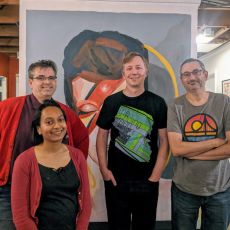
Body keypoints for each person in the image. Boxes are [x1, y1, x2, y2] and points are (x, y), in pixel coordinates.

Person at [0, 60, 89, 229]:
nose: (47, 82)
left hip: (52, 191)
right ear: (30, 82)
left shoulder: (66, 113)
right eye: (41, 77)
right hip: (9, 190)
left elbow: (82, 139)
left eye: (51, 77)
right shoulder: (7, 108)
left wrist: (72, 170)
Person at [96, 52, 169, 230]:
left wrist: (156, 175)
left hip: (147, 180)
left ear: (146, 71)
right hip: (116, 180)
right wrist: (104, 170)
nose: (134, 72)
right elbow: (101, 137)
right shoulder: (111, 102)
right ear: (123, 73)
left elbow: (165, 142)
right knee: (117, 226)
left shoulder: (158, 103)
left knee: (144, 226)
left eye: (138, 67)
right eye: (129, 68)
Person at [167, 58, 230, 230]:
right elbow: (177, 148)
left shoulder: (224, 102)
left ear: (205, 74)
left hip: (220, 189)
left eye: (196, 72)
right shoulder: (175, 105)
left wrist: (192, 153)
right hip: (184, 189)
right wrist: (216, 142)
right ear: (182, 79)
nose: (191, 77)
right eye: (186, 74)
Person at [11, 100, 91, 230]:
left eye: (60, 120)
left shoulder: (77, 156)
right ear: (39, 129)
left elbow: (86, 205)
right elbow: (20, 215)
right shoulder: (24, 161)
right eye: (49, 122)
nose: (57, 126)